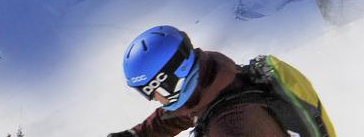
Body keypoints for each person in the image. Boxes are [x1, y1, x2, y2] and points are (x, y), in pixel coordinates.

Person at [110, 25, 337, 137]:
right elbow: (181, 113)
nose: (153, 99)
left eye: (151, 91)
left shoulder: (232, 126)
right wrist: (136, 135)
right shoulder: (216, 82)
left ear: (170, 80)